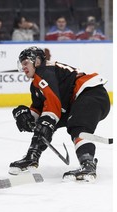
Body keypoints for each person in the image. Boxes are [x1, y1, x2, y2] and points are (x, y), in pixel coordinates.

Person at [9, 46, 110, 182]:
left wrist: (44, 123)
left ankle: (88, 165)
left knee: (75, 126)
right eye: (21, 64)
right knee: (45, 122)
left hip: (91, 94)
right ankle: (32, 157)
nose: (23, 67)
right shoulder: (36, 84)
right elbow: (40, 110)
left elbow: (53, 105)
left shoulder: (44, 72)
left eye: (26, 62)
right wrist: (24, 115)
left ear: (37, 61)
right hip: (77, 101)